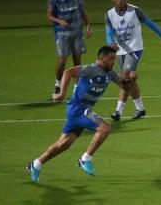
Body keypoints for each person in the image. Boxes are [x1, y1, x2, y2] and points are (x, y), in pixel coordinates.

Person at [27, 46, 133, 183]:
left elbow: (126, 87)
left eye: (114, 58)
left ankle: (36, 164)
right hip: (77, 109)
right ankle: (85, 159)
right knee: (105, 128)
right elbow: (69, 72)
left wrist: (132, 80)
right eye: (110, 58)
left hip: (80, 111)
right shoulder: (92, 69)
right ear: (101, 59)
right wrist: (62, 93)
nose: (113, 61)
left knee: (63, 144)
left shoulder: (110, 73)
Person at [105, 0, 161, 121]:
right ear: (113, 0)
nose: (119, 0)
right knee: (130, 79)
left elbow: (149, 23)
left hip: (135, 49)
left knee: (124, 77)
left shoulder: (134, 11)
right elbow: (108, 32)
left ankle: (118, 111)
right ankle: (140, 109)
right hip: (121, 51)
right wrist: (111, 43)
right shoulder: (109, 15)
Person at [47, 0, 93, 94]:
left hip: (77, 31)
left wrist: (88, 24)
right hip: (61, 33)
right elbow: (49, 15)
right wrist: (59, 21)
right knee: (62, 61)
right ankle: (58, 83)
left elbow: (82, 9)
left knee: (77, 62)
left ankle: (75, 90)